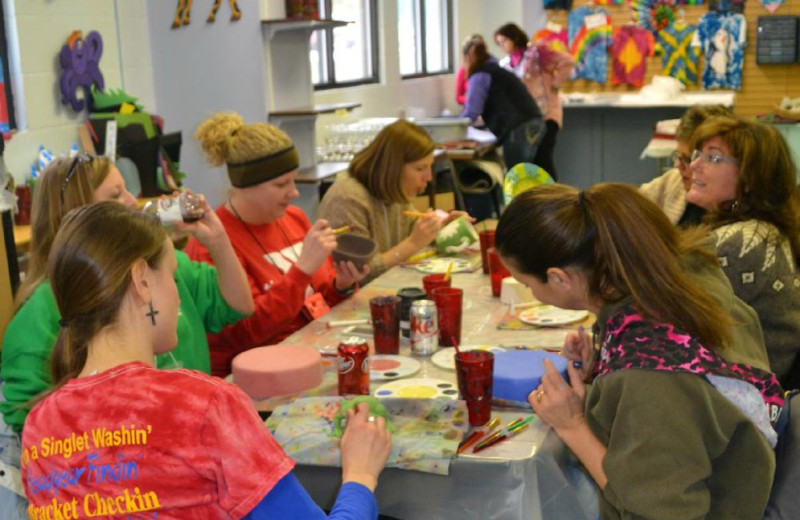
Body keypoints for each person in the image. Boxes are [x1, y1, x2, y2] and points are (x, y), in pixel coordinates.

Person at [21, 202, 392, 519]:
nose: (179, 296)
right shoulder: (203, 404)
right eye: (172, 276)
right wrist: (361, 474)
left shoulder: (39, 425)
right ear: (142, 280)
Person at [495, 183, 782, 519]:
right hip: (735, 468)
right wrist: (603, 371)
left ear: (559, 278)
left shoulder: (648, 378)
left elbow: (657, 513)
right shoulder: (682, 278)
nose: (531, 292)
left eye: (528, 284)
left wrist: (573, 426)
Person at [1, 155, 253, 433]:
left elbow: (239, 305)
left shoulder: (163, 266)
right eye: (116, 194)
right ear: (81, 216)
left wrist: (216, 240)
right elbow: (32, 430)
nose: (133, 201)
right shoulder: (37, 317)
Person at [189, 113, 368, 376]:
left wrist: (340, 286)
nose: (294, 193)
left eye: (293, 180)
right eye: (281, 184)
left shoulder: (293, 218)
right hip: (256, 376)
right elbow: (245, 334)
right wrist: (302, 268)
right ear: (245, 186)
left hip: (308, 354)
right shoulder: (213, 242)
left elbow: (314, 301)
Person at [686, 117, 800, 387]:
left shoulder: (744, 241)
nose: (694, 166)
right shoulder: (764, 230)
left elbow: (667, 315)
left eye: (713, 159)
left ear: (750, 179)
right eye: (697, 155)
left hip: (744, 401)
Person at [318, 120, 468, 281]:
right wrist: (412, 243)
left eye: (429, 167)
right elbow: (358, 274)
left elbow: (417, 233)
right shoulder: (348, 199)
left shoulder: (392, 192)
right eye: (420, 168)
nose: (429, 177)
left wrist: (443, 227)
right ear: (393, 167)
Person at [640, 104, 733, 226]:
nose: (677, 164)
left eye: (688, 159)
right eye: (678, 156)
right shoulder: (674, 181)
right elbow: (630, 204)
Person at [460, 36, 544, 170]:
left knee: (516, 175)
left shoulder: (480, 75)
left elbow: (472, 112)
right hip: (535, 121)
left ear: (467, 57)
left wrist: (454, 126)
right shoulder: (498, 70)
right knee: (527, 173)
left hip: (517, 127)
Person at [455, 34, 485, 105]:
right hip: (471, 108)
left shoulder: (488, 69)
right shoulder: (463, 71)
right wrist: (470, 100)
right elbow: (458, 97)